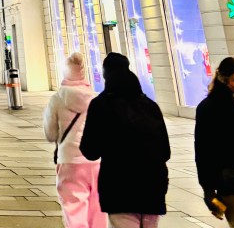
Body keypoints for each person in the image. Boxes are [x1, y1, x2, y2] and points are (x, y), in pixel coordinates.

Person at [80, 52, 170, 228]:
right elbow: (165, 151)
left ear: (106, 74)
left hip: (119, 185)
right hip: (152, 185)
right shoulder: (150, 105)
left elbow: (90, 150)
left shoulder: (101, 104)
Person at [43, 52, 106, 228]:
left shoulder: (57, 99)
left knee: (74, 210)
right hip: (96, 161)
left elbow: (50, 134)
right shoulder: (95, 99)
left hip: (69, 160)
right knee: (98, 211)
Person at [195, 55, 234, 227]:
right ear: (224, 80)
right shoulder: (209, 108)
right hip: (233, 181)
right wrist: (208, 189)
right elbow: (203, 151)